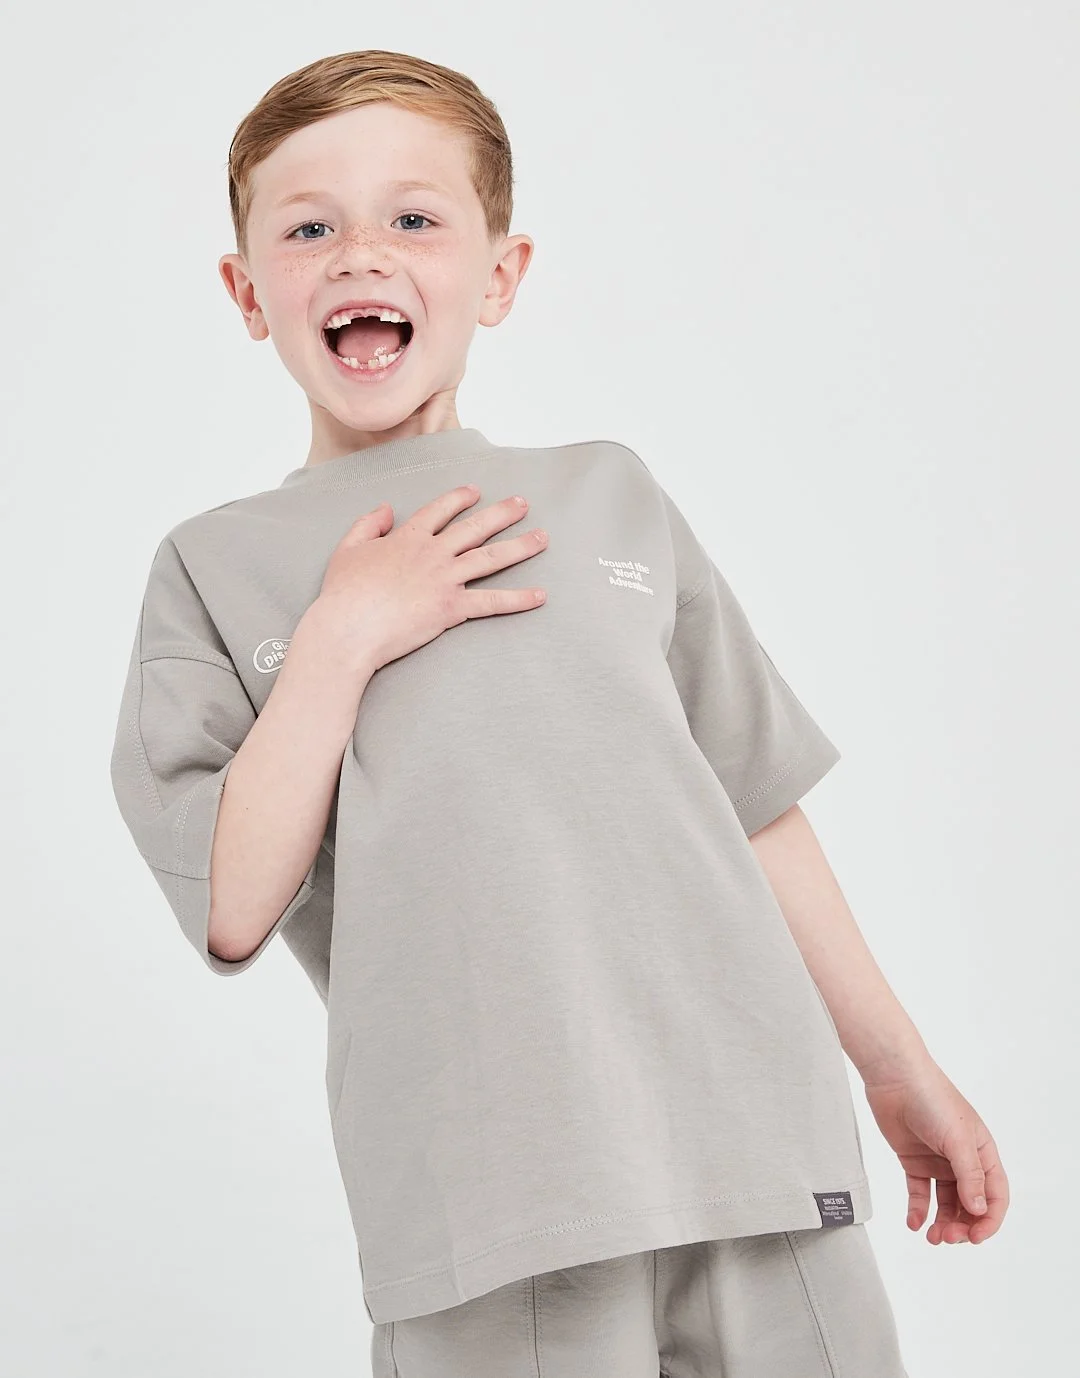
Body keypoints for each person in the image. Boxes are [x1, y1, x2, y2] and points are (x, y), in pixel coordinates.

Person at [108, 48, 1008, 1377]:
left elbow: (757, 808)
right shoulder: (211, 566)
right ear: (248, 293)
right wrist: (344, 634)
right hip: (491, 1195)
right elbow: (231, 904)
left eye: (415, 216)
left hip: (754, 1143)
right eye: (309, 229)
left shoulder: (610, 497)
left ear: (500, 273)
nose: (362, 253)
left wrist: (899, 1068)